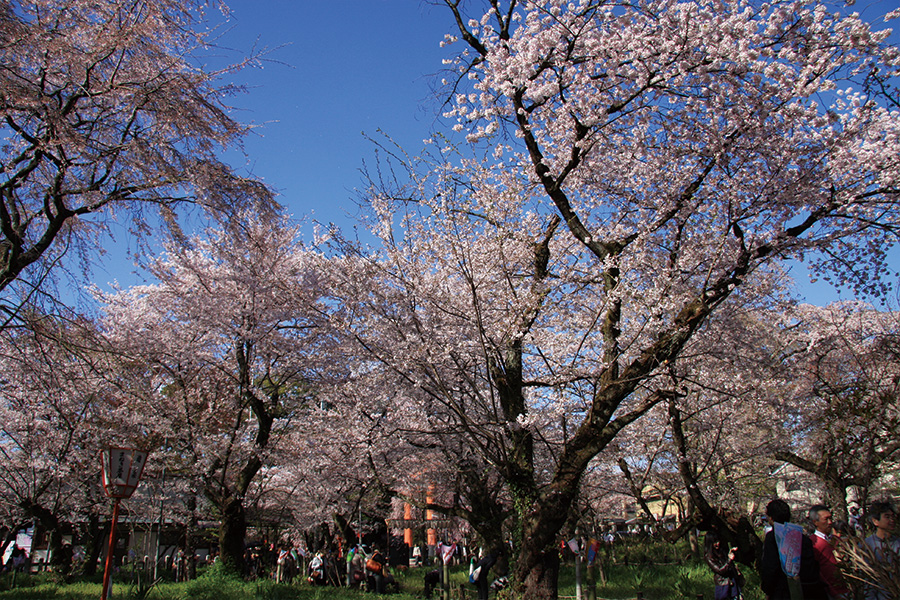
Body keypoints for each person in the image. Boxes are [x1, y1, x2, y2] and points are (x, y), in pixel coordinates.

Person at [759, 498, 828, 600]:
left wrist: (768, 589)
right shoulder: (801, 537)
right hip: (806, 590)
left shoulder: (773, 538)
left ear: (771, 518)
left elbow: (770, 567)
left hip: (783, 592)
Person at [808, 505, 849, 599]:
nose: (830, 522)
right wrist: (834, 594)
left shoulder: (836, 540)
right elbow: (818, 573)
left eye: (831, 518)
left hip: (847, 590)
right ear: (815, 522)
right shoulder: (813, 543)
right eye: (825, 519)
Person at [862, 501, 899, 600]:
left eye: (893, 516)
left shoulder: (898, 543)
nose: (892, 520)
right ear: (875, 521)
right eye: (887, 517)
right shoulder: (867, 545)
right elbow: (867, 580)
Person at [705, 530, 743, 599]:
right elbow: (720, 570)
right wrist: (729, 560)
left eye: (718, 541)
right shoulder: (709, 557)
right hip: (723, 586)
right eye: (715, 542)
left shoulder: (721, 551)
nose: (718, 544)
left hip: (732, 583)